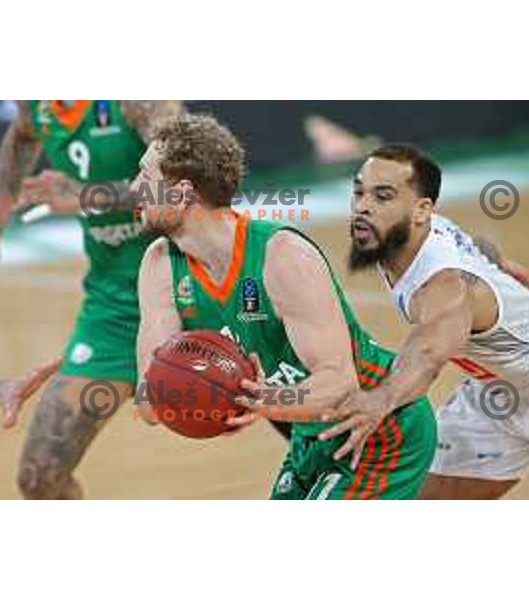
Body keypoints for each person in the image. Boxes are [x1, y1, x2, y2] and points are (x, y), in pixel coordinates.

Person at [136, 114, 436, 499]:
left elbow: (338, 383)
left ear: (180, 193)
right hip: (311, 434)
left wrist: (257, 399)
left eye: (145, 176)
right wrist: (190, 393)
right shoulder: (160, 264)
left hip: (381, 428)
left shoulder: (281, 257)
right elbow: (149, 402)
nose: (134, 188)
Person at [320, 143, 529, 500]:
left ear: (421, 210)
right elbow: (492, 255)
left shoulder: (443, 284)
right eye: (359, 192)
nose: (363, 206)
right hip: (498, 394)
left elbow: (428, 353)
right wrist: (508, 283)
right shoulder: (418, 233)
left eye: (382, 196)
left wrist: (381, 399)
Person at [0, 100, 182, 498]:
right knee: (40, 475)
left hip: (189, 289)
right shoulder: (37, 104)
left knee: (313, 419)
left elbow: (186, 181)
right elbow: (22, 135)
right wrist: (0, 211)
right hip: (113, 310)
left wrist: (86, 195)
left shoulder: (136, 99)